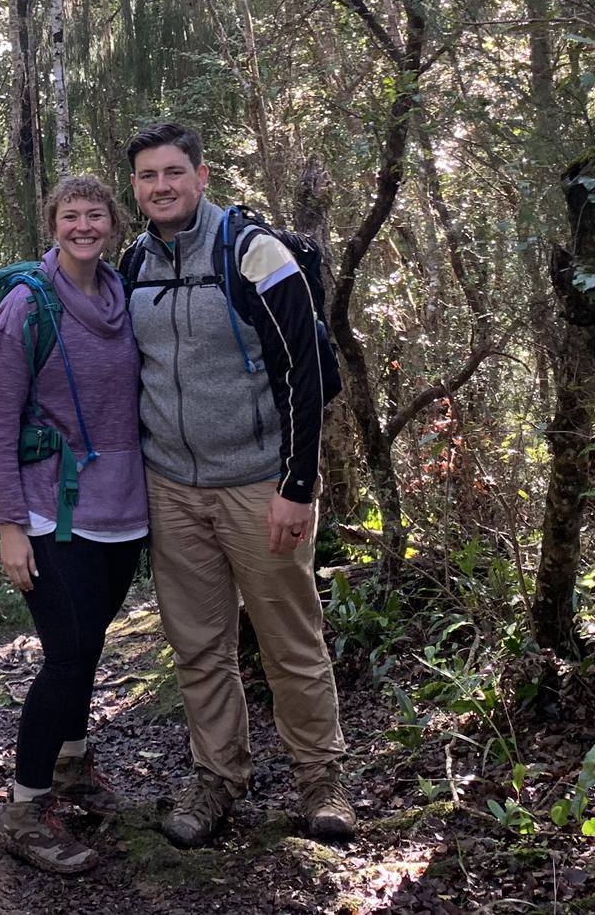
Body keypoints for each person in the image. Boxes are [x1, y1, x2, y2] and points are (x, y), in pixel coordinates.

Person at [124, 120, 354, 848]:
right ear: (136, 187)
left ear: (201, 175)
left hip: (261, 484)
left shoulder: (257, 255)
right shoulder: (133, 265)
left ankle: (322, 780)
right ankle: (217, 777)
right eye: (147, 177)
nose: (161, 187)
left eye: (172, 173)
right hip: (172, 486)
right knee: (198, 646)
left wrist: (299, 483)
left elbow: (306, 375)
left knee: (290, 639)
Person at [0, 173, 147, 876]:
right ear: (53, 224)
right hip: (51, 512)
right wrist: (10, 524)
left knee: (89, 646)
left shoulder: (123, 296)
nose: (84, 226)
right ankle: (22, 807)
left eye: (95, 214)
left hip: (124, 510)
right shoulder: (27, 306)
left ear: (113, 224)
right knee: (67, 655)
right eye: (71, 215)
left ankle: (73, 767)